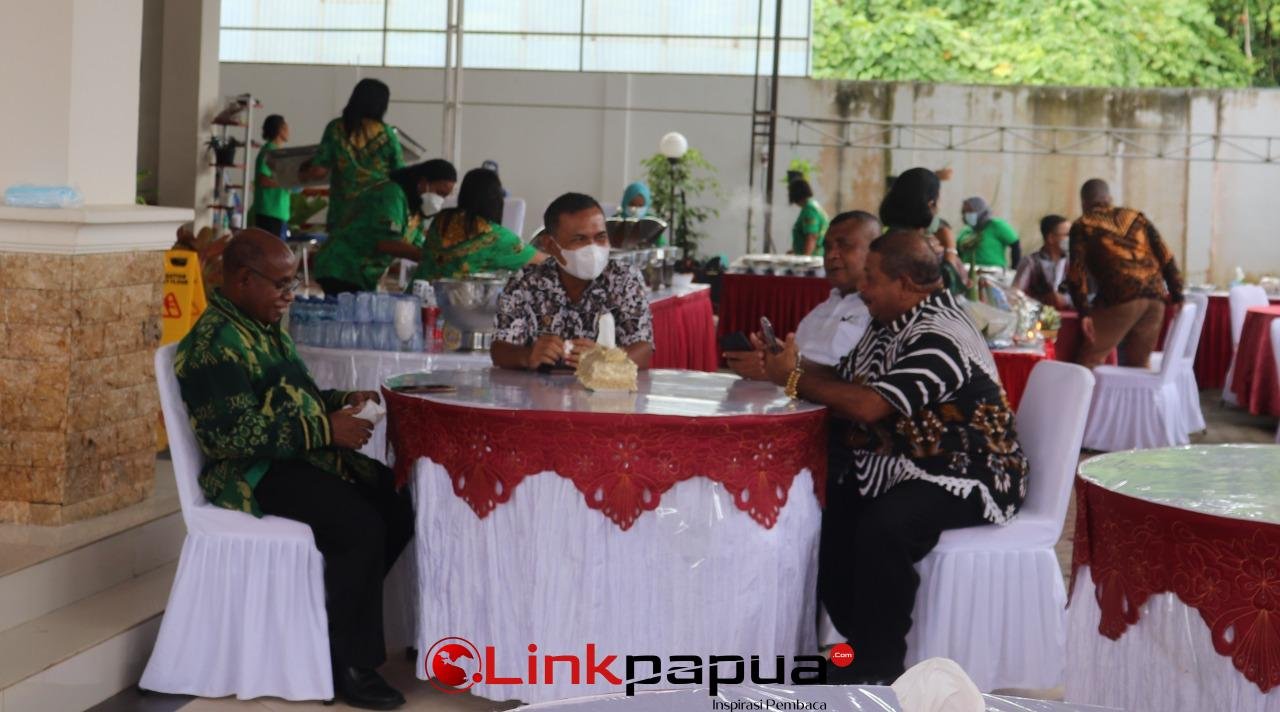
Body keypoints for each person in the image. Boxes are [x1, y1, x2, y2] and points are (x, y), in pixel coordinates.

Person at [763, 229, 1028, 684]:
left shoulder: (940, 335)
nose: (861, 287)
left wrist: (793, 379)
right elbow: (846, 381)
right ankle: (856, 645)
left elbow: (869, 405)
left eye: (871, 278)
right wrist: (787, 365)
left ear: (905, 283)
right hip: (909, 461)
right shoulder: (891, 320)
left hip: (973, 471)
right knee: (828, 504)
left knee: (886, 523)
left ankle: (879, 665)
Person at [174, 229, 413, 710]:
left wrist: (342, 400)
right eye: (281, 284)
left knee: (396, 502)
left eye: (293, 283)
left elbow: (291, 397)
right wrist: (325, 429)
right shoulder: (214, 345)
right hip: (250, 474)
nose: (290, 294)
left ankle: (327, 621)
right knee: (360, 526)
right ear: (243, 280)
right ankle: (349, 664)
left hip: (292, 456)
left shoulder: (260, 326)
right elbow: (230, 436)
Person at [491, 192, 654, 371]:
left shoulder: (623, 278)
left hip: (604, 387)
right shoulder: (525, 282)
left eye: (600, 237)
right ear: (550, 245)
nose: (593, 248)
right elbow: (499, 349)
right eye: (579, 239)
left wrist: (607, 360)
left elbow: (643, 350)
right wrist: (528, 355)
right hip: (539, 388)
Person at [724, 211, 878, 379]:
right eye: (827, 247)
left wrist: (779, 371)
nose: (831, 255)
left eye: (844, 245)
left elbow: (852, 380)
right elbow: (801, 359)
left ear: (875, 253)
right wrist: (773, 357)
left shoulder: (880, 312)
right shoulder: (821, 310)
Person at [1065, 179, 1184, 369]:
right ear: (1110, 198)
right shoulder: (1136, 217)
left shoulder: (1083, 224)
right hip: (1155, 296)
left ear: (1084, 203)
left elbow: (1076, 273)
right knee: (1139, 365)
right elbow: (1166, 255)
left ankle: (1083, 390)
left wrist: (1084, 311)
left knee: (1088, 361)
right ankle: (1140, 391)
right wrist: (1177, 294)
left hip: (1121, 296)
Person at [304, 79, 407, 294]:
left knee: (339, 260)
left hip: (343, 212)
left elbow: (319, 171)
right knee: (366, 265)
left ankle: (335, 297)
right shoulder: (387, 134)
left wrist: (302, 171)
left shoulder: (335, 128)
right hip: (375, 213)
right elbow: (400, 175)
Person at [405, 167, 541, 281]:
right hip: (453, 302)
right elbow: (543, 262)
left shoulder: (442, 219)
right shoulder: (495, 236)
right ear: (496, 200)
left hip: (415, 298)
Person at [879, 167, 967, 295]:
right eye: (938, 200)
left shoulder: (885, 239)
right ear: (931, 204)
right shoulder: (918, 248)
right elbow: (946, 291)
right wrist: (950, 249)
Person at [1014, 214, 1071, 310]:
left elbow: (1090, 297)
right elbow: (1015, 294)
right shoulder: (1030, 262)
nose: (1072, 238)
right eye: (1067, 235)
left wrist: (1066, 300)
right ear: (1050, 238)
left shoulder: (1074, 263)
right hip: (1037, 316)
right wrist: (1042, 300)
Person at [251, 114, 291, 239]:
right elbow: (263, 180)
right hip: (269, 212)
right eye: (286, 127)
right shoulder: (269, 152)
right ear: (280, 130)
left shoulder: (278, 153)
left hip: (279, 211)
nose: (289, 131)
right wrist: (286, 183)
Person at [956, 196, 1021, 269]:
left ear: (980, 211)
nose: (967, 215)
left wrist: (1015, 268)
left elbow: (1015, 244)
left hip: (994, 271)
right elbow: (957, 251)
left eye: (970, 211)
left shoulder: (996, 225)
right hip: (968, 270)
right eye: (964, 212)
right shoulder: (965, 231)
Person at [789, 178, 828, 257]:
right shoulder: (814, 206)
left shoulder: (809, 210)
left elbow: (812, 236)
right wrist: (795, 251)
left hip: (813, 258)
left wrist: (805, 259)